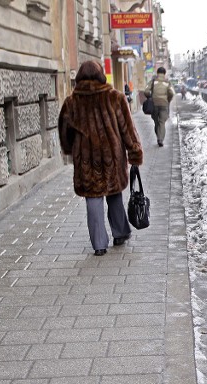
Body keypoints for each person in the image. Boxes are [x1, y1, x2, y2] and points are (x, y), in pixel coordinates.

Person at [58, 60, 144, 256]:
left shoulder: (71, 102)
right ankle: (120, 233)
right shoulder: (115, 97)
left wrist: (71, 151)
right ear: (101, 75)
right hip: (111, 157)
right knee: (114, 195)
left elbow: (65, 133)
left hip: (86, 161)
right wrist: (135, 153)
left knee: (93, 200)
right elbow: (127, 131)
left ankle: (99, 245)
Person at [144, 67, 174, 147]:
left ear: (157, 73)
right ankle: (160, 139)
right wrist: (168, 100)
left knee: (156, 122)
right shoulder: (167, 82)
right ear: (164, 74)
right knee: (162, 122)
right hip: (164, 104)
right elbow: (171, 93)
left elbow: (146, 91)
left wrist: (149, 97)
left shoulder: (153, 81)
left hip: (154, 104)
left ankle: (159, 137)